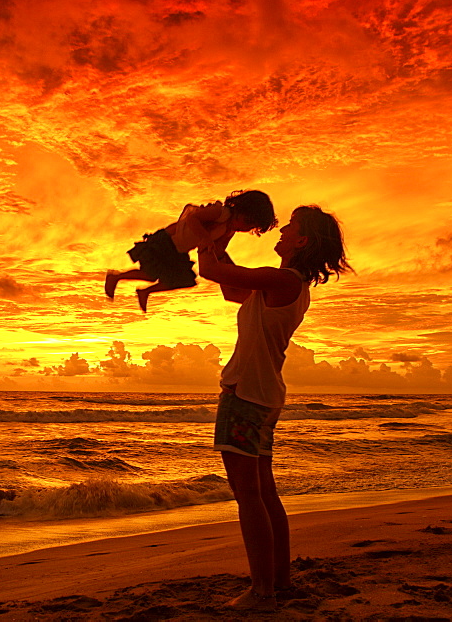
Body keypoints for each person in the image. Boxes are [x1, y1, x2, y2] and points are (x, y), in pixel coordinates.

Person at [196, 205, 352, 610]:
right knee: (264, 492)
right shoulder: (287, 284)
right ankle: (279, 582)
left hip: (246, 393)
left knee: (248, 495)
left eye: (291, 227)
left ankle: (262, 590)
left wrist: (202, 233)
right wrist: (222, 239)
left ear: (301, 241)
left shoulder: (280, 278)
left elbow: (212, 273)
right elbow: (232, 288)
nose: (282, 230)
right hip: (264, 394)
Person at [105, 190, 277, 312]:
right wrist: (205, 238)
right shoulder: (221, 212)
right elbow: (193, 218)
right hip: (166, 241)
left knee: (185, 280)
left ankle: (145, 291)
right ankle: (116, 276)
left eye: (250, 227)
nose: (244, 228)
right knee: (150, 274)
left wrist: (221, 264)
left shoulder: (229, 230)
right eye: (246, 222)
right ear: (240, 210)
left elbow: (219, 249)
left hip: (179, 250)